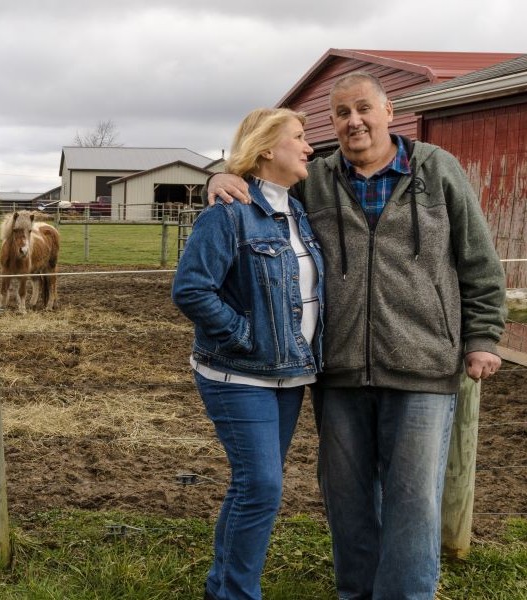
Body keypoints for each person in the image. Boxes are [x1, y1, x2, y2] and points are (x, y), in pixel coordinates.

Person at [206, 72, 507, 599]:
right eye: (342, 113)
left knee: (413, 500)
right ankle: (357, 593)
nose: (354, 122)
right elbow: (260, 171)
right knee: (346, 499)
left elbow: (478, 260)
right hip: (338, 368)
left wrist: (482, 335)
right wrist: (217, 177)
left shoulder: (437, 171)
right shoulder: (317, 177)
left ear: (390, 112)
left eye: (363, 109)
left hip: (423, 365)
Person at [172, 107, 325, 600]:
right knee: (261, 487)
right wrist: (244, 336)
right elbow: (192, 289)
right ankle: (235, 593)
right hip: (238, 375)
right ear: (265, 149)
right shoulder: (228, 212)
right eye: (299, 139)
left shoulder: (296, 211)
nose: (309, 147)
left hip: (289, 377)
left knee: (255, 487)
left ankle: (224, 587)